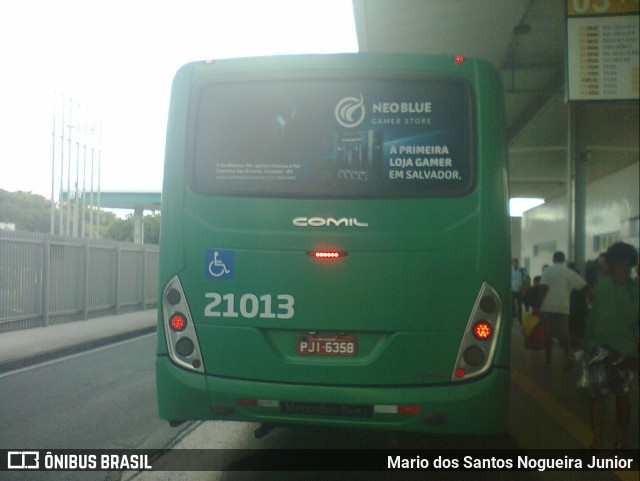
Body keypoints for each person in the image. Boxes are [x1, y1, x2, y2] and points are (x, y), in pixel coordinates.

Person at [583, 242, 639, 449]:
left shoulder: (635, 288)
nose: (620, 268)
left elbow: (632, 316)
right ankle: (597, 439)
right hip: (599, 347)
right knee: (597, 395)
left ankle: (621, 437)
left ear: (630, 265)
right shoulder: (602, 285)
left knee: (622, 395)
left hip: (625, 349)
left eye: (624, 264)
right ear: (610, 263)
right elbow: (593, 315)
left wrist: (623, 286)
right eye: (616, 263)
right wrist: (586, 341)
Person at [536, 251, 587, 369]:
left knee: (547, 335)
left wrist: (538, 306)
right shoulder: (568, 272)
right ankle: (568, 357)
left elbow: (543, 288)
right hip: (563, 308)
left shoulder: (547, 271)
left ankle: (548, 359)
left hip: (547, 307)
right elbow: (583, 285)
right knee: (564, 335)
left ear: (553, 259)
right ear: (563, 260)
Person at [511, 258, 529, 323]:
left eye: (516, 263)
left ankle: (520, 320)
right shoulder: (510, 271)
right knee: (512, 306)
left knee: (519, 305)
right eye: (514, 263)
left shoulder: (521, 271)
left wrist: (524, 289)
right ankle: (513, 318)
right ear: (512, 264)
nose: (515, 264)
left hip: (519, 291)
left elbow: (526, 280)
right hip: (511, 291)